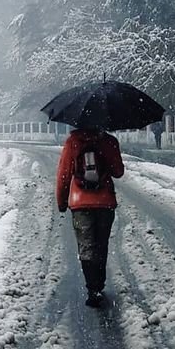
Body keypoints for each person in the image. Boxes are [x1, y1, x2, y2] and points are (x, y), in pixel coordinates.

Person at [56, 123, 125, 306]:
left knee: (86, 246)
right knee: (101, 245)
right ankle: (99, 285)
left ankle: (92, 289)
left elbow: (64, 174)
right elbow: (118, 172)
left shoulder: (72, 142)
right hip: (105, 202)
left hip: (80, 203)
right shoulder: (109, 141)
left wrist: (62, 201)